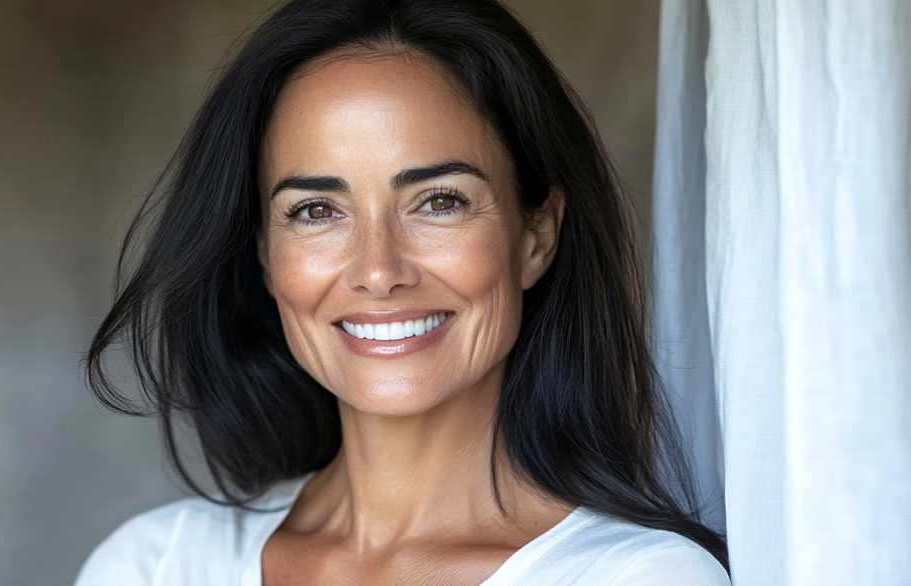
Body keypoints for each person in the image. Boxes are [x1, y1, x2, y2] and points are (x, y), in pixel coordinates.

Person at [77, 0, 730, 583]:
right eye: (314, 211)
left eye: (438, 201)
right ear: (263, 254)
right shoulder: (155, 566)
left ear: (535, 235)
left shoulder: (638, 577)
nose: (378, 269)